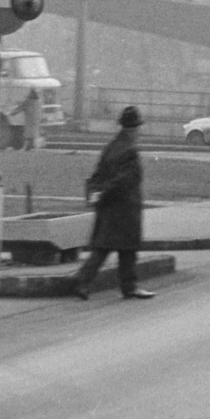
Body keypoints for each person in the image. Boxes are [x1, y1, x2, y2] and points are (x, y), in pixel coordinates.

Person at [74, 105, 155, 300]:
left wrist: (98, 193)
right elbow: (125, 180)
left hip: (108, 207)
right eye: (138, 128)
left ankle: (82, 282)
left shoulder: (111, 146)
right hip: (125, 207)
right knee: (128, 250)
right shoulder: (130, 151)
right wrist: (107, 192)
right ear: (133, 128)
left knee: (102, 248)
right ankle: (129, 287)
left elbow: (98, 174)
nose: (139, 132)